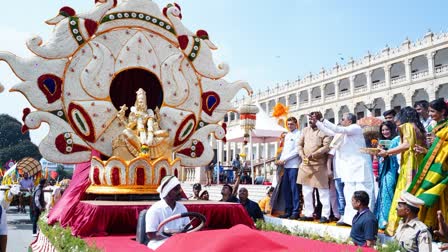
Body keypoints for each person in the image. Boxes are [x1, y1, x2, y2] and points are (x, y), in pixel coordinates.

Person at [314, 112, 374, 226]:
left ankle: (366, 221)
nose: (341, 121)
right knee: (349, 194)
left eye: (343, 119)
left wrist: (322, 119)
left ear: (350, 121)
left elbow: (337, 129)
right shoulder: (343, 133)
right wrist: (317, 122)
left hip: (361, 168)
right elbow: (329, 131)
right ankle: (349, 220)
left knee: (364, 194)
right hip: (350, 170)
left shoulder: (355, 128)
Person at [378, 106, 426, 235]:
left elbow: (406, 145)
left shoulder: (407, 126)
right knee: (415, 195)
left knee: (404, 194)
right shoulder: (420, 129)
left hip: (409, 165)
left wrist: (387, 152)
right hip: (420, 164)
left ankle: (398, 229)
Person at [409, 98, 448, 231]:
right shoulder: (436, 127)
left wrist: (438, 140)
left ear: (442, 111)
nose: (430, 114)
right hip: (434, 169)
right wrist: (426, 150)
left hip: (442, 171)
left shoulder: (446, 128)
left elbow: (444, 151)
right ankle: (433, 228)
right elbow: (436, 151)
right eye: (430, 111)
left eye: (432, 111)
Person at [297, 111, 332, 223]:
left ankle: (325, 215)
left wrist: (315, 154)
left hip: (319, 165)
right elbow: (299, 144)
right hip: (306, 165)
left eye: (313, 119)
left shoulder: (325, 131)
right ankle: (308, 214)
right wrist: (302, 155)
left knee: (323, 192)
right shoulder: (305, 130)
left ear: (319, 119)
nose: (311, 121)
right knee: (306, 192)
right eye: (309, 119)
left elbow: (327, 146)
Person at [146, 176, 190, 249]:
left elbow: (188, 228)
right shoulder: (155, 209)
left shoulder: (182, 207)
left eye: (179, 189)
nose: (180, 192)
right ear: (167, 191)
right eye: (176, 189)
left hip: (179, 242)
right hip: (159, 243)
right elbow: (151, 235)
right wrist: (170, 238)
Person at [374, 121, 400, 230]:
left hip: (393, 169)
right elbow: (379, 158)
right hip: (384, 170)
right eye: (383, 130)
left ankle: (390, 220)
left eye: (387, 129)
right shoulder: (381, 142)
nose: (385, 132)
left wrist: (387, 153)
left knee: (389, 191)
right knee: (383, 192)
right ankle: (382, 219)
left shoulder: (397, 140)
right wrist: (378, 152)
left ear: (392, 129)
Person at [275, 117, 301, 219]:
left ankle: (295, 211)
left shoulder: (299, 134)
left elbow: (296, 151)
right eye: (288, 124)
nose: (290, 126)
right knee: (286, 189)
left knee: (294, 189)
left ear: (296, 124)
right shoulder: (287, 135)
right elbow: (285, 150)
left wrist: (284, 159)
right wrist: (280, 161)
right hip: (285, 166)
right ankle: (288, 210)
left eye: (292, 124)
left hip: (294, 165)